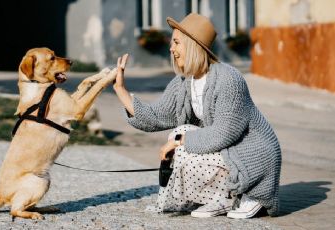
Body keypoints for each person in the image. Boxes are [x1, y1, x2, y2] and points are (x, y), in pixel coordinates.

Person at [112, 13, 281, 218]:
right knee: (180, 132)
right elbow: (156, 116)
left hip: (252, 156)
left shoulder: (229, 79)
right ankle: (222, 197)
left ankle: (245, 194)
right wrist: (121, 90)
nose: (171, 49)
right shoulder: (184, 82)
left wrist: (177, 142)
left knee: (181, 139)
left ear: (193, 45)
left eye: (176, 42)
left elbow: (224, 133)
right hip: (228, 152)